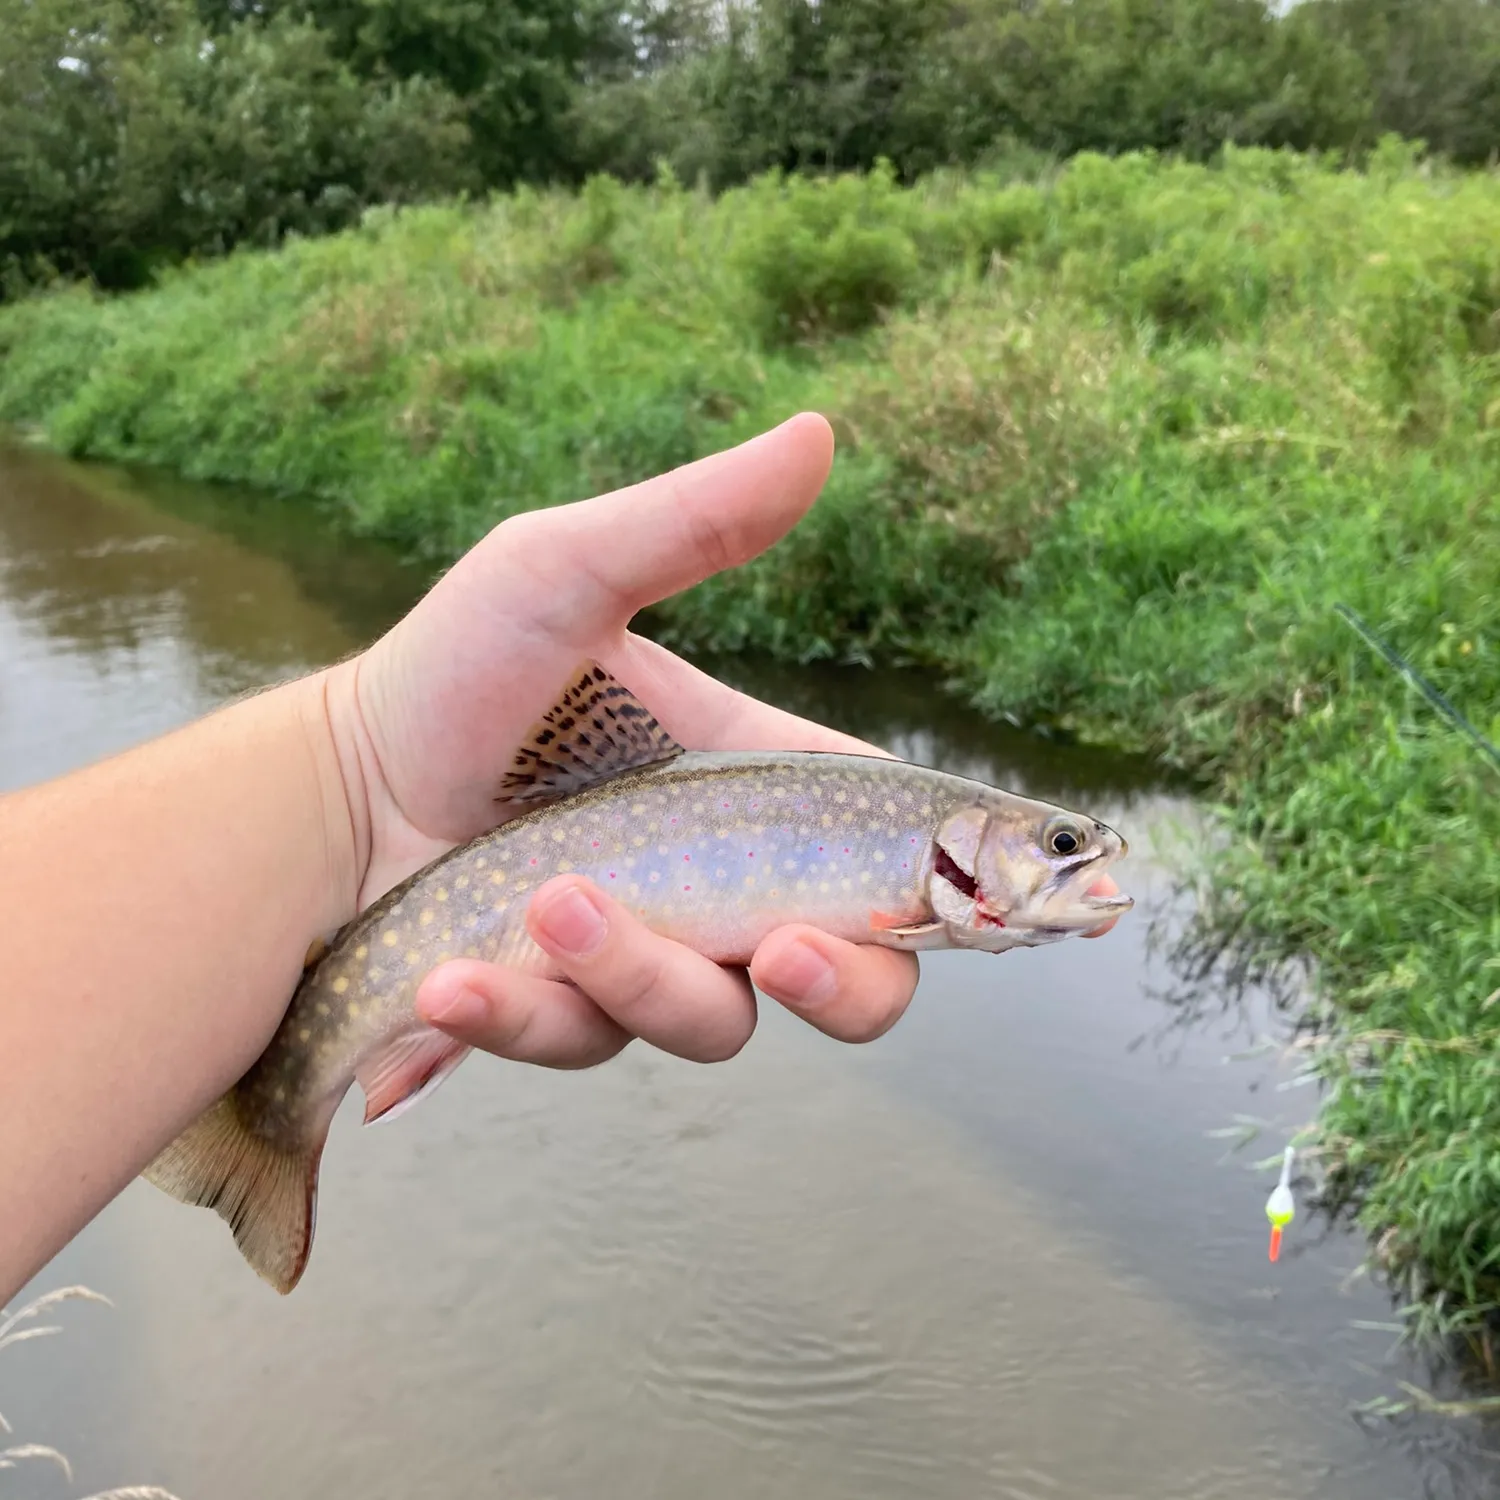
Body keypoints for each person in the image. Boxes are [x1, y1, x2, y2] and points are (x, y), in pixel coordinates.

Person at [0, 414, 1118, 1304]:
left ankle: (282, 1107)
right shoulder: (912, 845)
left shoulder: (914, 851)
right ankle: (266, 1121)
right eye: (1061, 845)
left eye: (1065, 846)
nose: (1075, 861)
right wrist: (355, 765)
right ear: (974, 850)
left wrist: (354, 772)